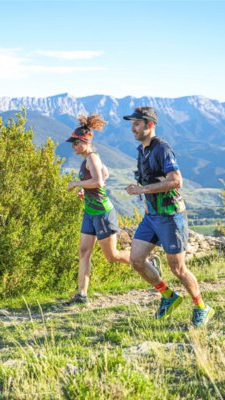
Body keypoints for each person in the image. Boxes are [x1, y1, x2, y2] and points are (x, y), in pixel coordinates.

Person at [123, 106, 214, 328]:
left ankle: (202, 307)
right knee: (136, 259)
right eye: (132, 124)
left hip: (171, 216)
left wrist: (142, 190)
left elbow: (176, 181)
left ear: (150, 125)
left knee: (178, 269)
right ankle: (169, 297)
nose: (133, 128)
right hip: (152, 216)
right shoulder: (142, 150)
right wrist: (143, 192)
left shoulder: (162, 148)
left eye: (137, 124)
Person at [64, 114, 161, 306]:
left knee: (112, 256)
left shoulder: (91, 158)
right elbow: (104, 174)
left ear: (85, 142)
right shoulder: (89, 159)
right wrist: (86, 188)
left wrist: (77, 183)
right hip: (90, 212)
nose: (73, 146)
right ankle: (82, 295)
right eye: (72, 144)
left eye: (76, 143)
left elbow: (99, 181)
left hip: (102, 212)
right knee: (84, 251)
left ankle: (149, 262)